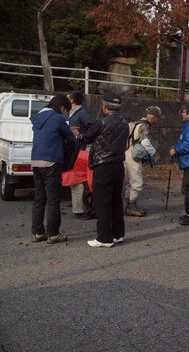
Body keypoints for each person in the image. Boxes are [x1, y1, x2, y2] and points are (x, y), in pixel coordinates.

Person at [79, 91, 130, 248]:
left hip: (103, 164)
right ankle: (118, 234)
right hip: (118, 164)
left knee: (102, 201)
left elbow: (86, 137)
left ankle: (104, 238)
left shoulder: (101, 122)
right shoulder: (124, 123)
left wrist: (77, 134)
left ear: (105, 106)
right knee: (116, 200)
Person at [30, 94, 75, 244]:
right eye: (65, 110)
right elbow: (70, 139)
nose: (65, 113)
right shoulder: (58, 118)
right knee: (53, 200)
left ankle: (37, 232)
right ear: (62, 107)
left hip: (36, 160)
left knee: (39, 199)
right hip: (51, 161)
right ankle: (53, 234)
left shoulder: (37, 118)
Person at [124, 106, 161, 217]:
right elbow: (145, 142)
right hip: (134, 157)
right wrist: (154, 153)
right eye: (157, 118)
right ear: (153, 116)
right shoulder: (144, 125)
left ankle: (128, 204)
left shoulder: (135, 123)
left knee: (128, 182)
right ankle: (131, 206)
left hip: (126, 154)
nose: (157, 120)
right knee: (137, 182)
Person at [66, 91, 95, 220]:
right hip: (71, 149)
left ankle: (79, 207)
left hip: (79, 150)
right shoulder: (68, 112)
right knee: (74, 179)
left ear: (72, 100)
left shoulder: (82, 113)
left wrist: (81, 136)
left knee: (77, 179)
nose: (66, 98)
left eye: (68, 97)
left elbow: (93, 127)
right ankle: (77, 204)